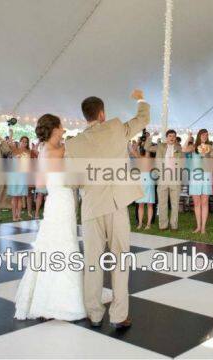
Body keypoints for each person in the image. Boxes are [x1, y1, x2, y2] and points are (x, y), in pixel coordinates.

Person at [65, 90, 150, 329]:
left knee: (92, 261)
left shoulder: (73, 144)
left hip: (91, 207)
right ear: (102, 113)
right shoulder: (115, 127)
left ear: (86, 116)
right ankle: (119, 315)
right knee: (121, 258)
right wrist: (141, 100)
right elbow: (142, 119)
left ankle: (94, 313)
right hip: (116, 203)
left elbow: (72, 181)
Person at [15, 114, 86, 321]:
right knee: (63, 245)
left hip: (56, 200)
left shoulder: (44, 149)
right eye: (62, 125)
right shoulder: (58, 150)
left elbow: (39, 185)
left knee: (53, 246)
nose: (64, 128)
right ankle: (57, 302)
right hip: (62, 200)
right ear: (55, 128)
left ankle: (46, 297)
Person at [144, 129, 183, 230]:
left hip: (175, 178)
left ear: (175, 138)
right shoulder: (160, 146)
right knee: (162, 203)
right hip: (162, 178)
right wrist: (151, 135)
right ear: (166, 137)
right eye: (170, 136)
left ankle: (174, 225)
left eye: (173, 136)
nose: (172, 138)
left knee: (175, 204)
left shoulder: (179, 147)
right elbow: (146, 147)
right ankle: (163, 226)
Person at [183, 129, 213, 234]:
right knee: (196, 202)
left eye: (206, 134)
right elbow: (183, 149)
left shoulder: (209, 146)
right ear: (199, 135)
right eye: (203, 134)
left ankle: (203, 227)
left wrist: (204, 149)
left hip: (205, 175)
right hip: (195, 175)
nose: (205, 136)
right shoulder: (193, 147)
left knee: (204, 202)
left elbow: (206, 158)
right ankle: (198, 226)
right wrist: (189, 137)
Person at [131, 144, 155, 230]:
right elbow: (133, 151)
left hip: (148, 182)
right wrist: (138, 143)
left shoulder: (152, 159)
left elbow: (145, 154)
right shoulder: (141, 158)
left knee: (149, 204)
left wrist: (146, 145)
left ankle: (148, 224)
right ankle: (140, 223)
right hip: (141, 182)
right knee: (140, 204)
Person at [7, 136, 31, 221]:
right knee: (14, 197)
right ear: (20, 141)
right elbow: (9, 143)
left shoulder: (28, 152)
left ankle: (18, 215)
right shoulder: (15, 149)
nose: (24, 143)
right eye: (23, 141)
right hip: (14, 175)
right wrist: (11, 134)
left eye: (26, 142)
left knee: (20, 197)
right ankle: (14, 216)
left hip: (23, 175)